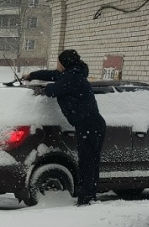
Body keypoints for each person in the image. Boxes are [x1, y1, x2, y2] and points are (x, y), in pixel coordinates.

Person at [21, 49, 107, 206]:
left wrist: (42, 89)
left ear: (65, 63)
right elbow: (52, 75)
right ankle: (89, 194)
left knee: (87, 162)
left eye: (59, 61)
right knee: (91, 161)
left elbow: (53, 90)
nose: (57, 64)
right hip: (91, 124)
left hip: (89, 124)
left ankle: (86, 198)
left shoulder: (72, 78)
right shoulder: (73, 73)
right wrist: (32, 75)